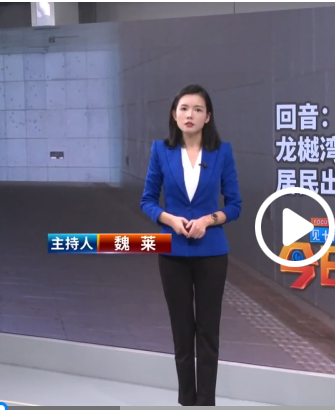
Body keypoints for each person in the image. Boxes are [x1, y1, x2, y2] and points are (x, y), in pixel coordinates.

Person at [140, 84, 242, 406]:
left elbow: (235, 205)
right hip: (172, 253)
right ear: (174, 114)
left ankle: (206, 401)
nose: (190, 115)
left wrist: (208, 220)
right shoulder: (161, 151)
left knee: (208, 331)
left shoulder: (222, 152)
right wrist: (169, 219)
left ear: (207, 117)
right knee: (182, 331)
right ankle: (186, 399)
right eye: (184, 108)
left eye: (198, 109)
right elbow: (147, 201)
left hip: (212, 253)